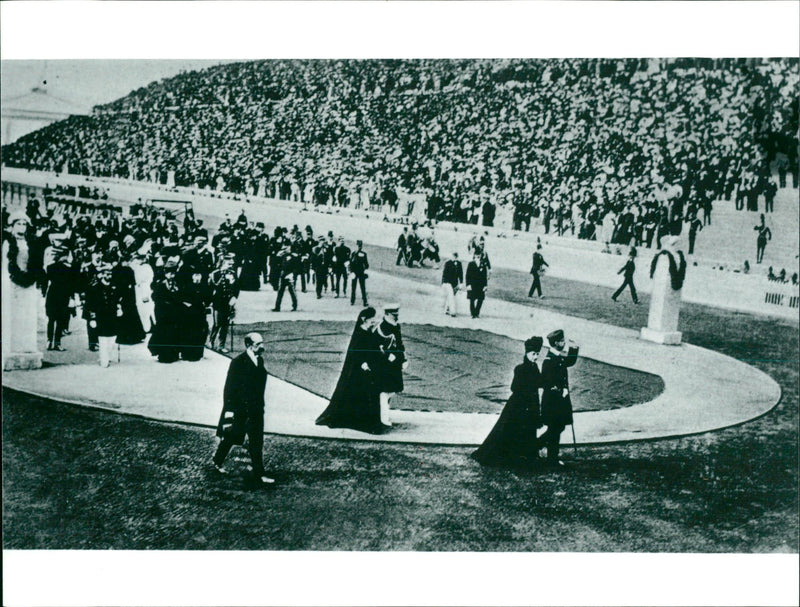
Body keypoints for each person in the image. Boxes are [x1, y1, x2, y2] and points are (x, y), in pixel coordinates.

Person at [472, 336, 543, 468]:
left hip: (531, 404)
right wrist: (528, 390)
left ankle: (527, 455)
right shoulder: (520, 369)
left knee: (528, 429)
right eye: (533, 354)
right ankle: (511, 456)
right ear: (527, 353)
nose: (535, 357)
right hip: (519, 405)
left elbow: (539, 382)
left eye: (537, 354)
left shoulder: (535, 367)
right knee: (510, 430)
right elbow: (514, 387)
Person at [213, 332, 274, 485]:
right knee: (232, 437)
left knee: (256, 442)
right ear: (248, 345)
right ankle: (217, 460)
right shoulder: (238, 363)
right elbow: (229, 389)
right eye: (258, 344)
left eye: (261, 343)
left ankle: (259, 473)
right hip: (241, 410)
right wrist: (229, 411)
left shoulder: (259, 360)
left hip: (256, 410)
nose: (262, 347)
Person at [315, 307, 388, 434]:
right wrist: (364, 363)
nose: (374, 321)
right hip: (360, 371)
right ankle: (368, 424)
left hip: (367, 370)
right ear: (364, 319)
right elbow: (356, 353)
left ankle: (370, 423)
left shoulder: (367, 332)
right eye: (371, 319)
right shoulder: (360, 334)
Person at [539, 329, 579, 467]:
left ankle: (537, 446)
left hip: (559, 401)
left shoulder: (558, 356)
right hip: (553, 402)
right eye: (562, 341)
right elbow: (547, 382)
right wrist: (560, 390)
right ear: (556, 343)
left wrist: (574, 347)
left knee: (557, 428)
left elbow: (570, 361)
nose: (564, 343)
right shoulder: (549, 360)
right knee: (555, 429)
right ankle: (551, 458)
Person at [84, 263, 123, 368]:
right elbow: (90, 304)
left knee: (112, 337)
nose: (109, 276)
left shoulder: (114, 286)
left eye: (110, 274)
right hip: (100, 316)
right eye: (106, 274)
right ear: (101, 275)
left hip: (111, 316)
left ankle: (107, 356)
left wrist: (119, 308)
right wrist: (92, 318)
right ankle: (104, 359)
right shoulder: (95, 288)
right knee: (102, 338)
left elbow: (118, 299)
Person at [374, 304, 406, 426]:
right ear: (387, 314)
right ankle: (383, 418)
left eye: (397, 315)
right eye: (394, 315)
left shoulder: (395, 326)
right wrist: (389, 357)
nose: (396, 317)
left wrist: (403, 359)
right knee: (384, 391)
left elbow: (399, 344)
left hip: (394, 364)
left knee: (392, 389)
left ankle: (384, 415)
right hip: (384, 365)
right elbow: (379, 347)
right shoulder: (382, 328)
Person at [465, 252, 488, 318]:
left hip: (480, 285)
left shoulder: (483, 264)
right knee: (472, 299)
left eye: (479, 256)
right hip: (472, 285)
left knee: (480, 299)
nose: (478, 257)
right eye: (476, 255)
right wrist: (468, 284)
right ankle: (473, 313)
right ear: (474, 256)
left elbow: (485, 276)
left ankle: (477, 313)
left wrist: (485, 285)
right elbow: (467, 275)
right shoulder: (471, 264)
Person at [441, 252, 463, 317]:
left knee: (451, 296)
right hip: (447, 283)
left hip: (455, 283)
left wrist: (461, 283)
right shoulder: (447, 263)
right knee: (451, 296)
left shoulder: (459, 264)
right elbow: (444, 274)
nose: (455, 258)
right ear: (451, 256)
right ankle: (452, 312)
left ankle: (447, 309)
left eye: (456, 257)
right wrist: (444, 283)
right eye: (454, 256)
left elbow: (460, 274)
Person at [349, 239, 369, 306]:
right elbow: (350, 263)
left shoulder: (362, 254)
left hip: (360, 272)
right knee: (354, 288)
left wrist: (364, 268)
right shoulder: (353, 254)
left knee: (362, 288)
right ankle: (352, 301)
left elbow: (367, 265)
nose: (359, 247)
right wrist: (351, 271)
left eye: (360, 246)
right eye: (358, 246)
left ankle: (364, 301)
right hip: (355, 273)